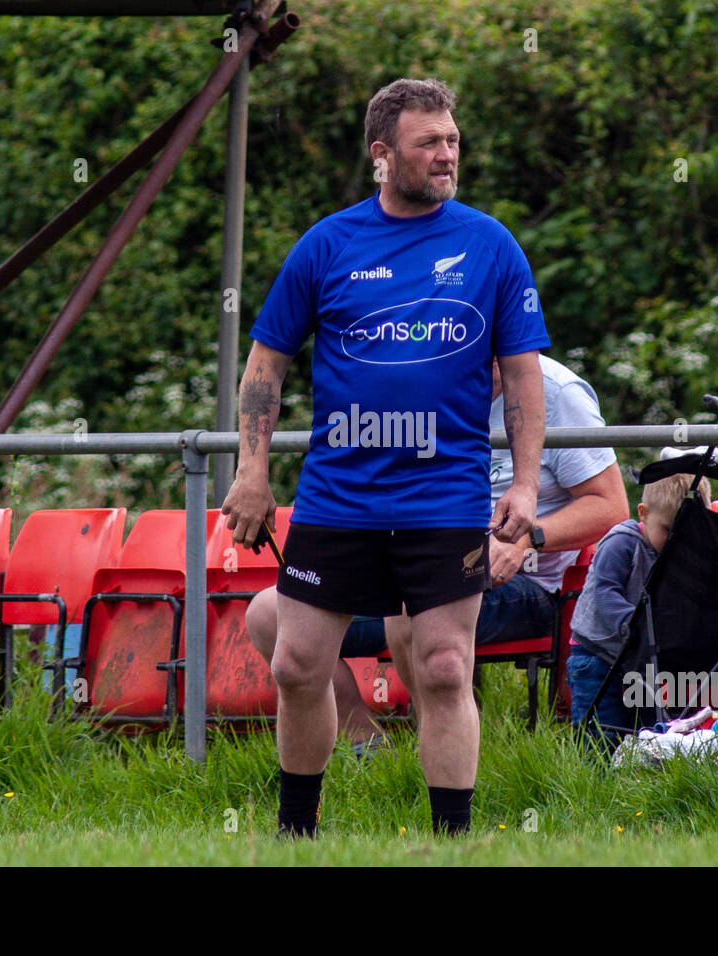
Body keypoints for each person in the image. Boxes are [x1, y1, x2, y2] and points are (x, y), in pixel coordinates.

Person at [221, 78, 550, 837]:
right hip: (342, 497)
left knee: (442, 666)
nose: (446, 155)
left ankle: (452, 842)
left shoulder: (491, 244)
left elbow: (525, 375)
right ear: (382, 155)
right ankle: (295, 834)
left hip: (447, 498)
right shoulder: (327, 244)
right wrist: (250, 470)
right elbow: (265, 366)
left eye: (453, 141)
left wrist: (528, 486)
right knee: (297, 665)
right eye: (428, 142)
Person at [244, 353, 628, 745]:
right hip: (409, 557)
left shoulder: (558, 393)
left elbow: (610, 507)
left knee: (420, 601)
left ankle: (442, 742)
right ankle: (369, 746)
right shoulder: (419, 377)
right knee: (268, 613)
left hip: (521, 581)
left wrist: (530, 538)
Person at [567, 472, 711, 744]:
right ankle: (597, 781)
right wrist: (640, 626)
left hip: (644, 661)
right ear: (643, 514)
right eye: (668, 529)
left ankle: (640, 776)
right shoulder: (622, 542)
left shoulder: (684, 557)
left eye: (687, 532)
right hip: (597, 653)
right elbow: (605, 593)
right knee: (601, 733)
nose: (675, 541)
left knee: (651, 731)